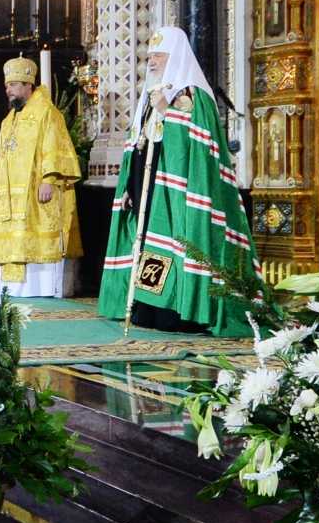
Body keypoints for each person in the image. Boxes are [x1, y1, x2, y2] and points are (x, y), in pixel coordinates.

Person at [98, 27, 253, 335]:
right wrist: (129, 184)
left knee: (176, 245)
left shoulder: (193, 96)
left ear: (175, 57)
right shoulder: (151, 95)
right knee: (151, 244)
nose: (151, 62)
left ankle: (180, 310)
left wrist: (166, 111)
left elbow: (197, 148)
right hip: (150, 185)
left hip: (181, 192)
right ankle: (149, 307)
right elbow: (138, 144)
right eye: (150, 56)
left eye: (158, 55)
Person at [0, 58, 84, 297]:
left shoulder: (47, 113)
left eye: (13, 85)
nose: (8, 90)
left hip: (38, 190)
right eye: (6, 85)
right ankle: (14, 287)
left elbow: (54, 147)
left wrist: (49, 179)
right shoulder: (9, 119)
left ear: (28, 85)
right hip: (11, 196)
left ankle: (41, 288)